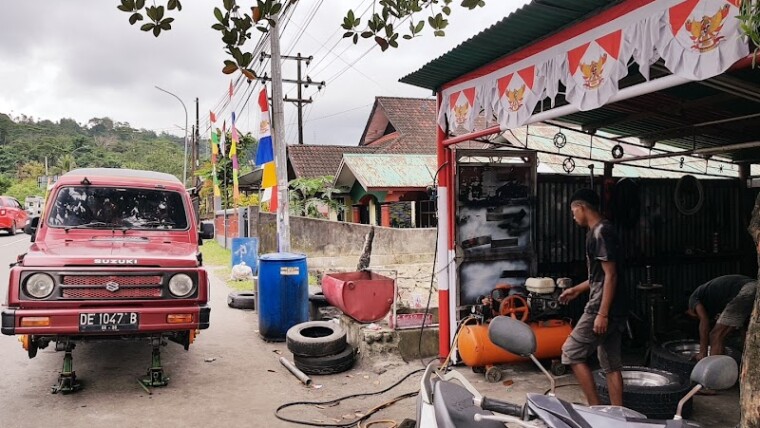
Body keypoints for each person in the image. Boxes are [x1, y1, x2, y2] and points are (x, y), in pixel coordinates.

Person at [559, 188, 627, 406]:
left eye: (573, 211)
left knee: (571, 353)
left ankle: (595, 409)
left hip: (603, 306)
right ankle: (618, 415)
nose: (573, 216)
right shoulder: (600, 230)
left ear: (581, 207)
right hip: (616, 306)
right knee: (611, 364)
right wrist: (578, 289)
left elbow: (611, 275)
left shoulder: (600, 232)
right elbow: (600, 276)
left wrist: (602, 314)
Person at [687, 275, 757, 360]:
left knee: (715, 335)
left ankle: (715, 371)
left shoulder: (693, 299)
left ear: (688, 310)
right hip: (755, 287)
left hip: (747, 289)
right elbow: (740, 323)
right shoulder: (717, 298)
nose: (696, 317)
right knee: (746, 331)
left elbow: (704, 320)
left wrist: (702, 353)